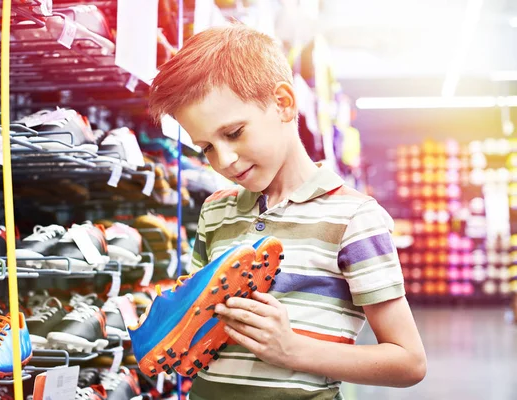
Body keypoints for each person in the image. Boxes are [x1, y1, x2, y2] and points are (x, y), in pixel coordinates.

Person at [147, 23, 427, 400]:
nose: (224, 161)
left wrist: (293, 349)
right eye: (206, 148)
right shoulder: (215, 212)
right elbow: (202, 320)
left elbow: (408, 362)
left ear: (283, 103)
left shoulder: (354, 219)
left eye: (233, 133)